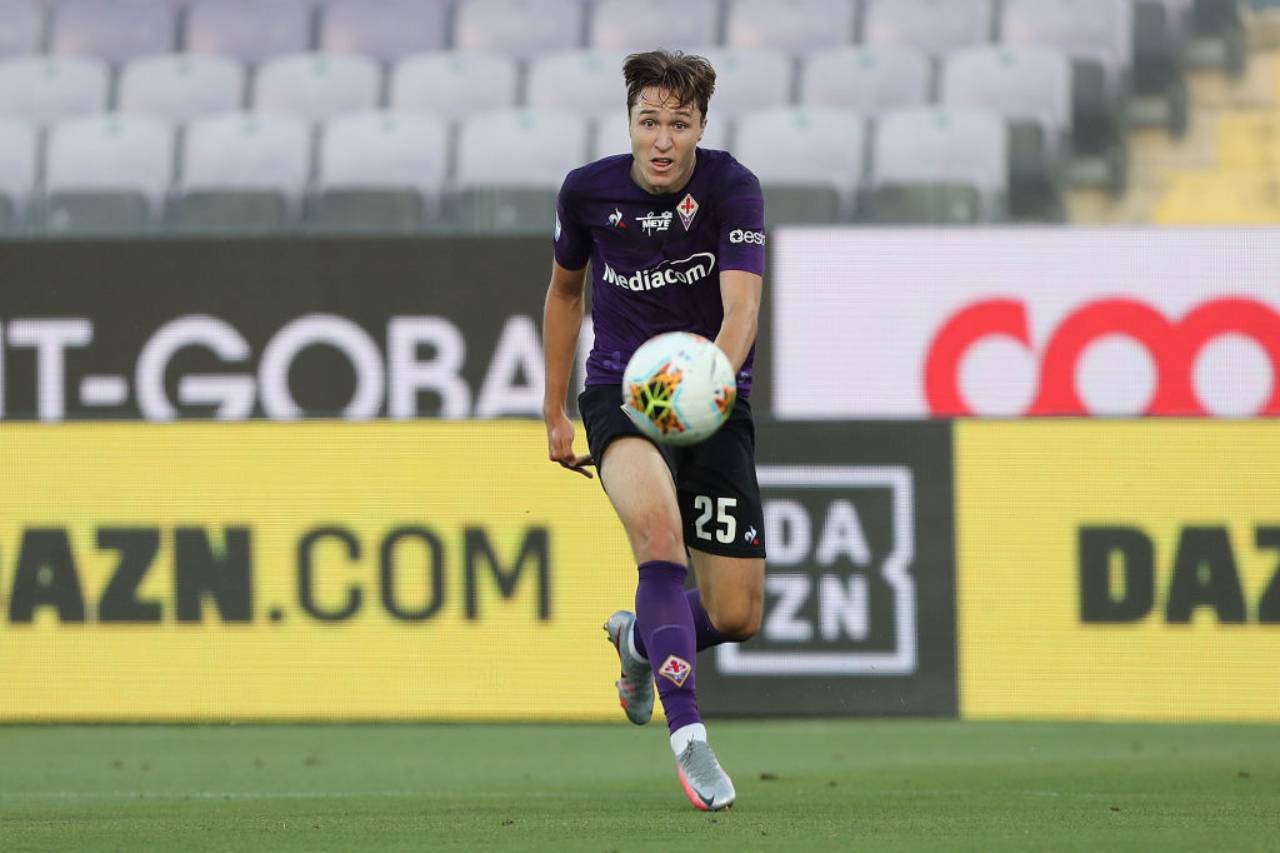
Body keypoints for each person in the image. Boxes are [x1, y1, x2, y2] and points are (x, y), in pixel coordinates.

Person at [541, 49, 766, 812]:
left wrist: (710, 385)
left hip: (710, 399)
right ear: (630, 123)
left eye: (680, 122)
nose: (663, 139)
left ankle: (642, 642)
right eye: (649, 121)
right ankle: (690, 738)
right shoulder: (588, 193)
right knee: (657, 536)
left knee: (736, 612)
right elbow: (565, 294)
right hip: (621, 394)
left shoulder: (732, 189)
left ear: (701, 124)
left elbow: (741, 313)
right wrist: (554, 408)